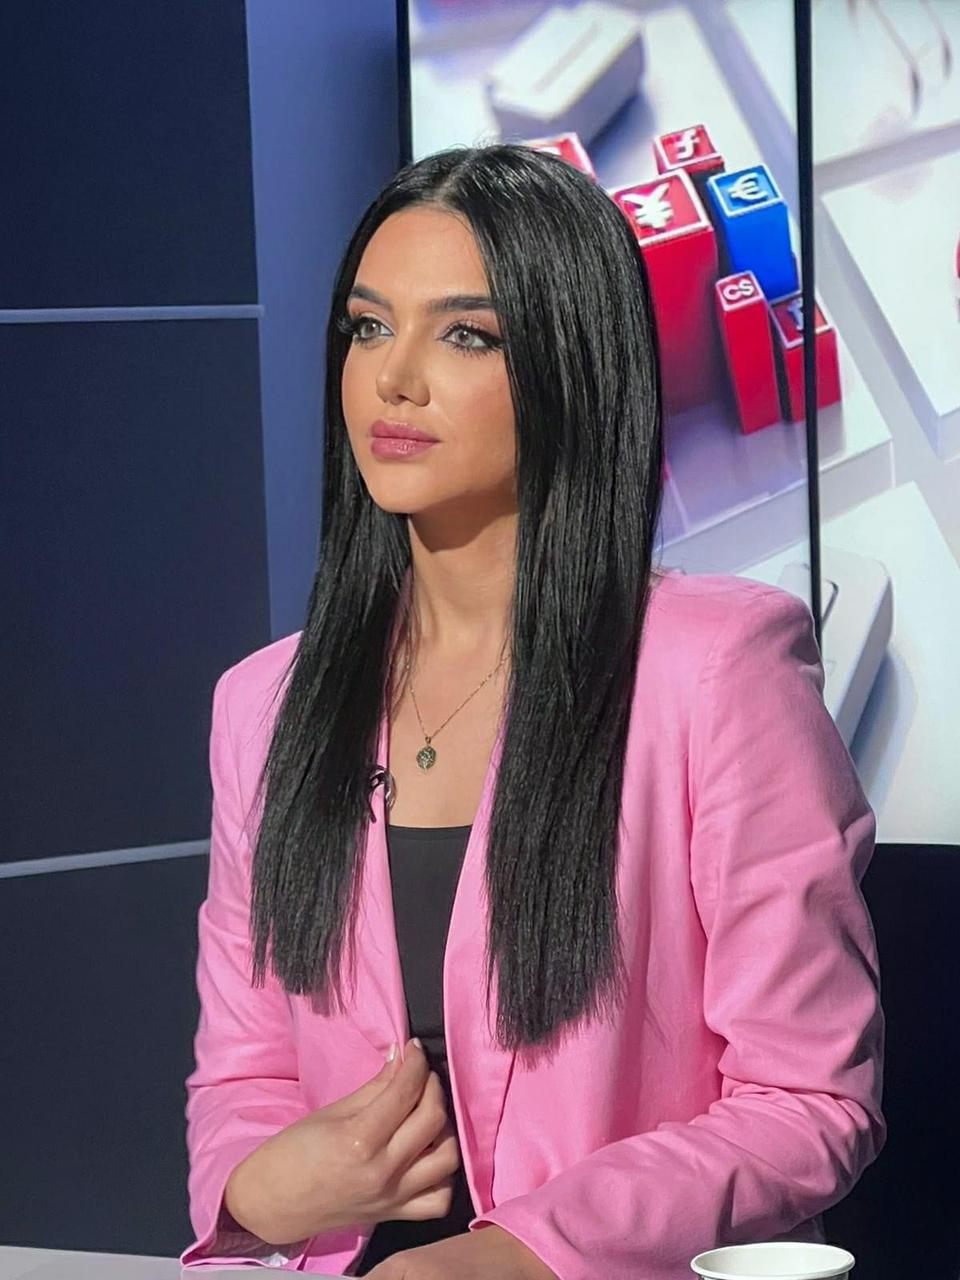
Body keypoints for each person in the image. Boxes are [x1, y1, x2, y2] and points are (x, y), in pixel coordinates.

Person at [179, 144, 884, 1279]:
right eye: (368, 327)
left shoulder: (716, 668)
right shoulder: (264, 705)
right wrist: (261, 1189)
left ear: (572, 364)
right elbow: (245, 1072)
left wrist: (509, 1256)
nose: (394, 379)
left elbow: (806, 1100)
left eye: (466, 335)